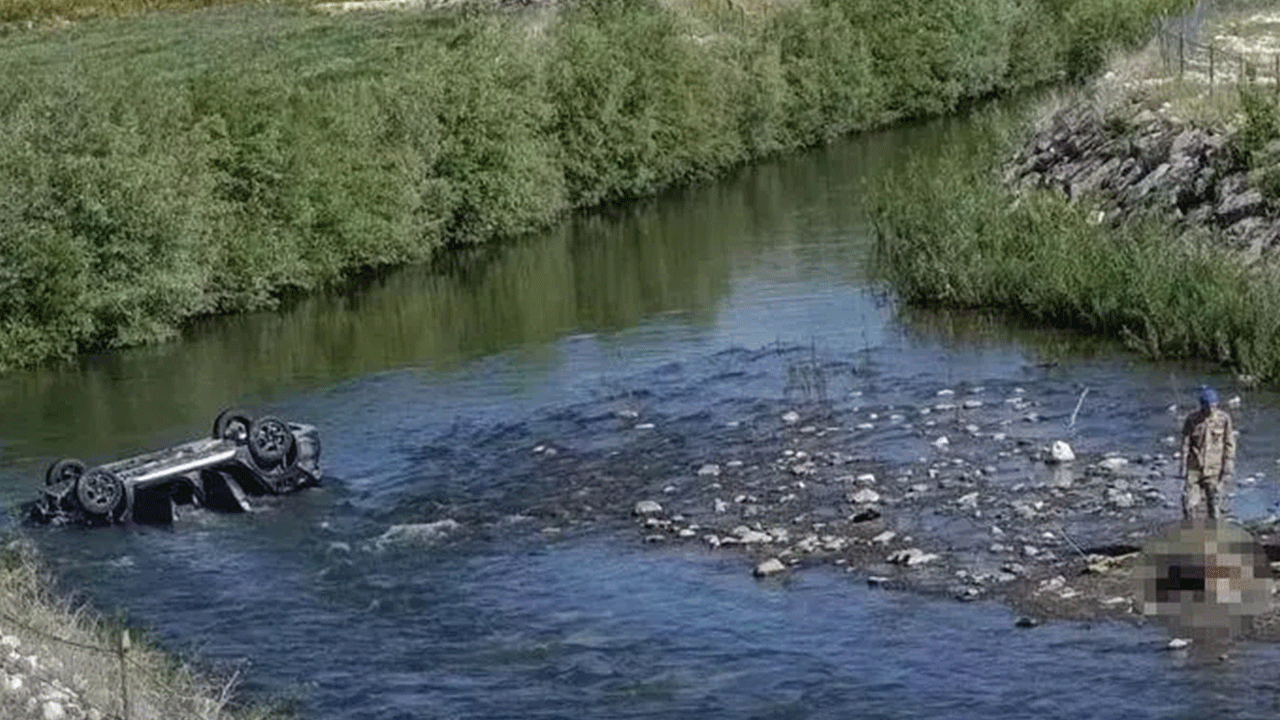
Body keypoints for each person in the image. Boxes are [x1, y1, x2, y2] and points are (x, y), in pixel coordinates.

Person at [1180, 386, 1236, 520]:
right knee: (1189, 503)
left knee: (1214, 503)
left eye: (1213, 406)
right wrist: (1183, 465)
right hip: (1195, 467)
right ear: (1202, 406)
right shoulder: (1191, 420)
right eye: (1208, 406)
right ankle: (1189, 528)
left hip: (1214, 468)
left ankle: (1214, 528)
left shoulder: (1224, 419)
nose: (1211, 409)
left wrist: (1229, 463)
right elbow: (1185, 443)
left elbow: (1229, 442)